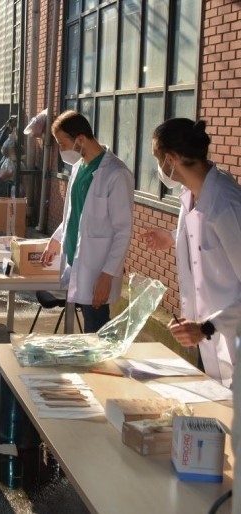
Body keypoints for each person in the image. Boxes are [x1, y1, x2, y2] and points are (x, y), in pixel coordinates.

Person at [140, 118, 241, 386]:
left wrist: (207, 327)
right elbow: (210, 245)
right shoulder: (192, 196)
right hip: (207, 340)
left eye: (157, 158)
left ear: (171, 159)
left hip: (231, 341)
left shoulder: (226, 203)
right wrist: (173, 238)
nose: (158, 168)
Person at [41, 110, 134, 333]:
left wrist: (107, 274)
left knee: (97, 329)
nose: (61, 151)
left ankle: (101, 368)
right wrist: (56, 240)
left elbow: (123, 231)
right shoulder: (79, 167)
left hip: (97, 268)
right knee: (89, 326)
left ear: (81, 139)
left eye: (63, 144)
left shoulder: (116, 173)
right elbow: (74, 214)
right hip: (76, 260)